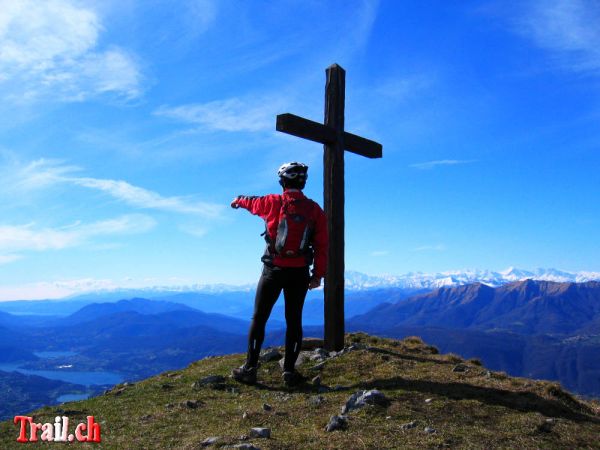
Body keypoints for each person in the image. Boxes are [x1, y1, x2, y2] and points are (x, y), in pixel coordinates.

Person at [230, 162, 328, 387]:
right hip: (300, 273)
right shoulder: (314, 210)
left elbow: (250, 202)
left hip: (273, 270)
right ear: (303, 182)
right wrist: (317, 275)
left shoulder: (272, 202)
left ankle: (250, 369)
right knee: (294, 320)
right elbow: (322, 246)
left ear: (283, 181)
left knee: (259, 317)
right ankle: (289, 372)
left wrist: (237, 200)